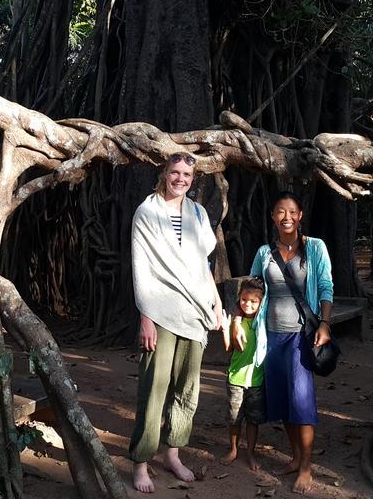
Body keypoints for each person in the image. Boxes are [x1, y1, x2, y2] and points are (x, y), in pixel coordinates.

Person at [129, 152, 224, 494]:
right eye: (175, 172)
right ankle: (141, 462)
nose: (181, 178)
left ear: (193, 178)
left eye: (187, 173)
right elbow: (142, 268)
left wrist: (215, 303)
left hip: (194, 313)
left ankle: (173, 454)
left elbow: (202, 267)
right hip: (162, 313)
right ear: (164, 174)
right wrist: (146, 318)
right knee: (154, 390)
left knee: (187, 390)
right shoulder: (148, 212)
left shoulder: (198, 213)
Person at [236, 191, 334, 494]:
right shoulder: (265, 252)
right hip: (270, 337)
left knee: (301, 401)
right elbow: (252, 287)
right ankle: (294, 456)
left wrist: (326, 324)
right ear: (273, 217)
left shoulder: (315, 248)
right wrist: (238, 321)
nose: (286, 217)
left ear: (300, 215)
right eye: (280, 211)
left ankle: (306, 467)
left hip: (300, 336)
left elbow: (326, 286)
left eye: (292, 211)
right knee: (282, 401)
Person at [220, 276, 267, 471]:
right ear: (239, 298)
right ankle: (233, 449)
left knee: (253, 419)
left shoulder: (263, 323)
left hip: (257, 380)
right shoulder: (235, 322)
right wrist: (225, 328)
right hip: (235, 379)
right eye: (244, 300)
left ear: (261, 302)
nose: (248, 304)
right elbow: (229, 348)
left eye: (254, 301)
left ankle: (250, 452)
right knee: (234, 418)